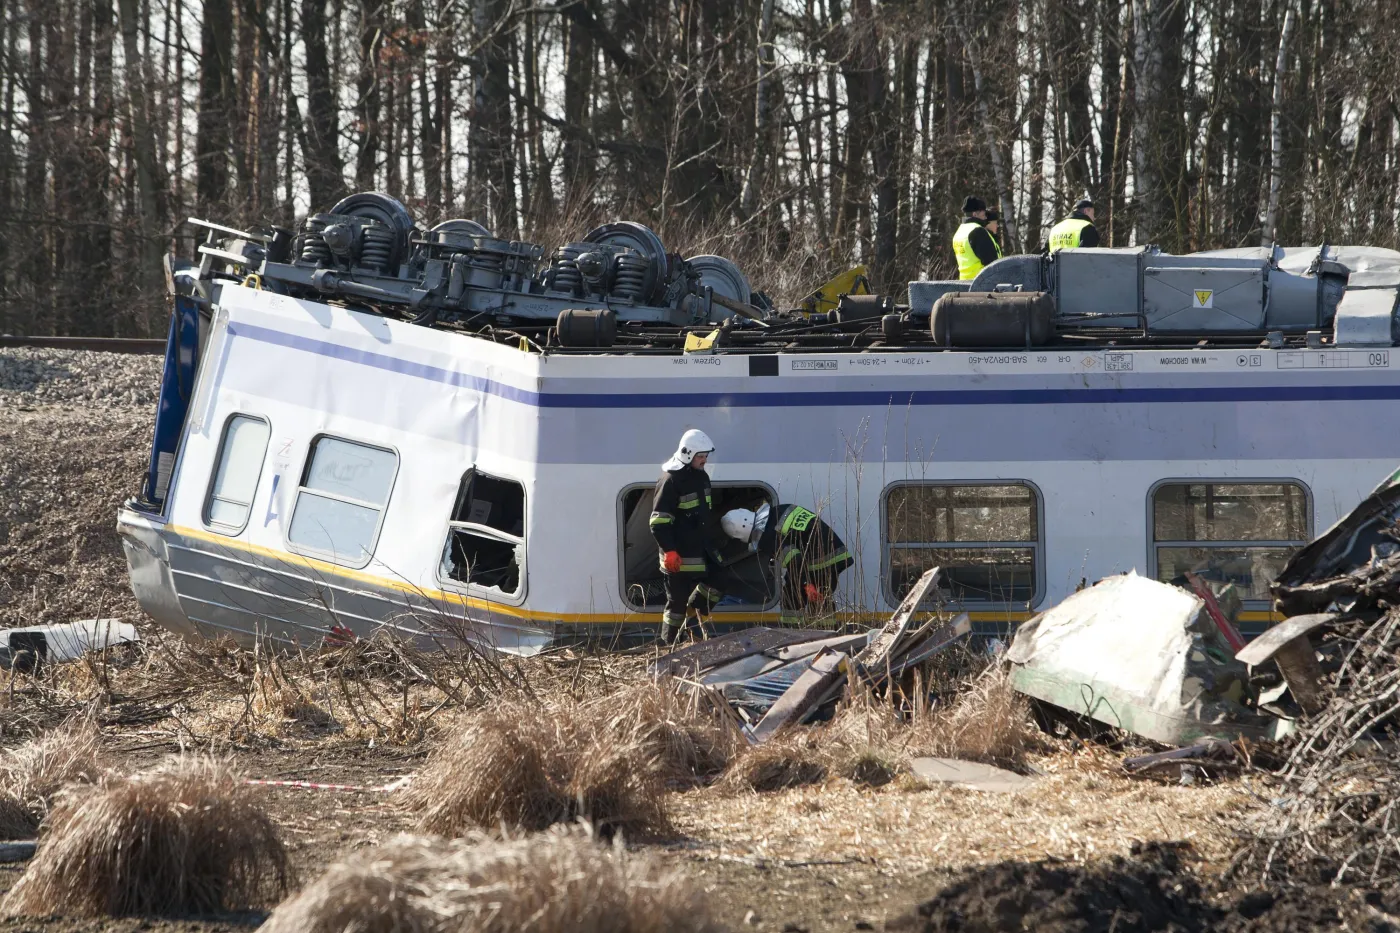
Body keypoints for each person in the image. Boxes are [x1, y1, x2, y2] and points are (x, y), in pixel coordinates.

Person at [649, 429, 727, 644]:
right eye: (700, 457)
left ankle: (692, 622)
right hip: (678, 555)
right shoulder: (670, 481)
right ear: (688, 454)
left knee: (721, 580)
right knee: (676, 604)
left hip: (700, 549)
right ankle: (669, 644)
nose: (704, 460)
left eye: (705, 457)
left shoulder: (701, 477)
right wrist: (670, 550)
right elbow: (658, 522)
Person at [719, 503, 853, 621]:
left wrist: (807, 585)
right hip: (835, 554)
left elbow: (795, 559)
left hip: (821, 562)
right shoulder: (778, 511)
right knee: (814, 599)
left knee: (794, 599)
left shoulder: (768, 536)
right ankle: (826, 635)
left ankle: (793, 637)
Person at [951, 196, 1002, 281]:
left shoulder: (959, 232)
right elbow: (992, 262)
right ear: (975, 214)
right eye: (983, 214)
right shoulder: (977, 231)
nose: (985, 218)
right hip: (982, 283)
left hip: (964, 283)